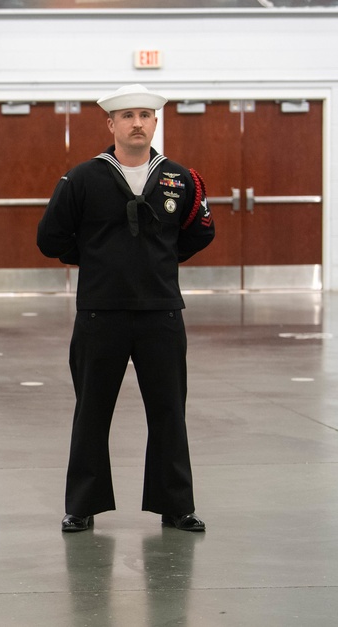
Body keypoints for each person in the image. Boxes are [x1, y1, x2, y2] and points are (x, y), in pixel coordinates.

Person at [36, 84, 215, 534]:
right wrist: (99, 258)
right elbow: (50, 238)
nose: (138, 122)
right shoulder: (82, 178)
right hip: (101, 314)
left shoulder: (179, 178)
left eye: (146, 115)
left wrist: (156, 260)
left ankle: (176, 506)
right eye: (128, 115)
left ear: (155, 122)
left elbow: (198, 233)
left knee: (169, 411)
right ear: (111, 124)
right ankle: (82, 506)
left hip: (161, 314)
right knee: (92, 411)